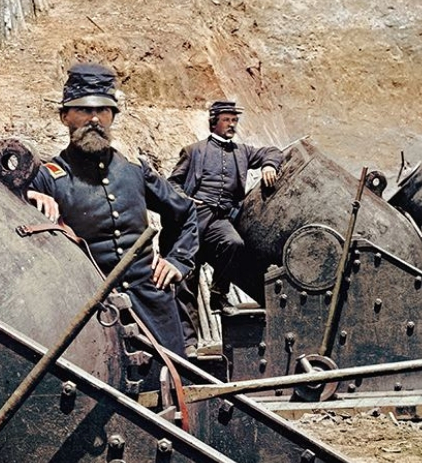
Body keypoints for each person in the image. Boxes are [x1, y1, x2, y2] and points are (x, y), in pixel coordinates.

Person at [26, 63, 198, 355]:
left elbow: (185, 213)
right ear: (64, 116)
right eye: (83, 111)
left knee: (173, 387)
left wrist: (177, 261)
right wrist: (28, 197)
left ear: (112, 116)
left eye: (103, 111)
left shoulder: (134, 170)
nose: (94, 119)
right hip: (94, 313)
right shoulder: (49, 176)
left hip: (153, 305)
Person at [168, 100, 282, 352]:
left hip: (220, 219)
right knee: (187, 278)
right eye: (227, 120)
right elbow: (172, 183)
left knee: (234, 243)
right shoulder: (194, 151)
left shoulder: (242, 152)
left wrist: (269, 165)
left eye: (234, 120)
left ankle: (219, 292)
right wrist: (186, 200)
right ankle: (189, 343)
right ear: (214, 122)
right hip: (194, 219)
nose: (232, 125)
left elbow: (273, 151)